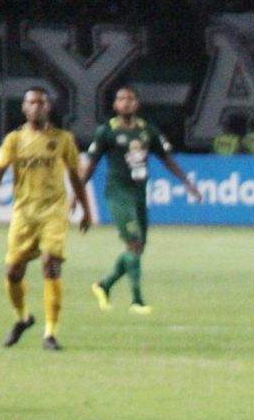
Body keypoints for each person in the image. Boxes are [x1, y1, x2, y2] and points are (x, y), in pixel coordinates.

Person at [0, 87, 91, 351]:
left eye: (41, 103)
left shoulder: (64, 139)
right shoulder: (14, 140)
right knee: (13, 272)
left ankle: (50, 334)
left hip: (53, 212)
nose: (36, 107)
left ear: (48, 107)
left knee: (51, 264)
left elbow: (75, 177)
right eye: (31, 103)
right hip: (24, 213)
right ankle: (22, 319)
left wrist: (86, 210)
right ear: (24, 108)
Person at [82, 87, 202, 315]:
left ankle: (103, 286)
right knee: (134, 243)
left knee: (138, 248)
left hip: (139, 194)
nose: (125, 102)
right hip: (118, 193)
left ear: (137, 104)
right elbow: (91, 165)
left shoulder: (147, 131)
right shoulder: (106, 131)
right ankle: (137, 301)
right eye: (121, 98)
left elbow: (166, 158)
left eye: (130, 98)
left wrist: (187, 182)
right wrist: (77, 196)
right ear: (115, 105)